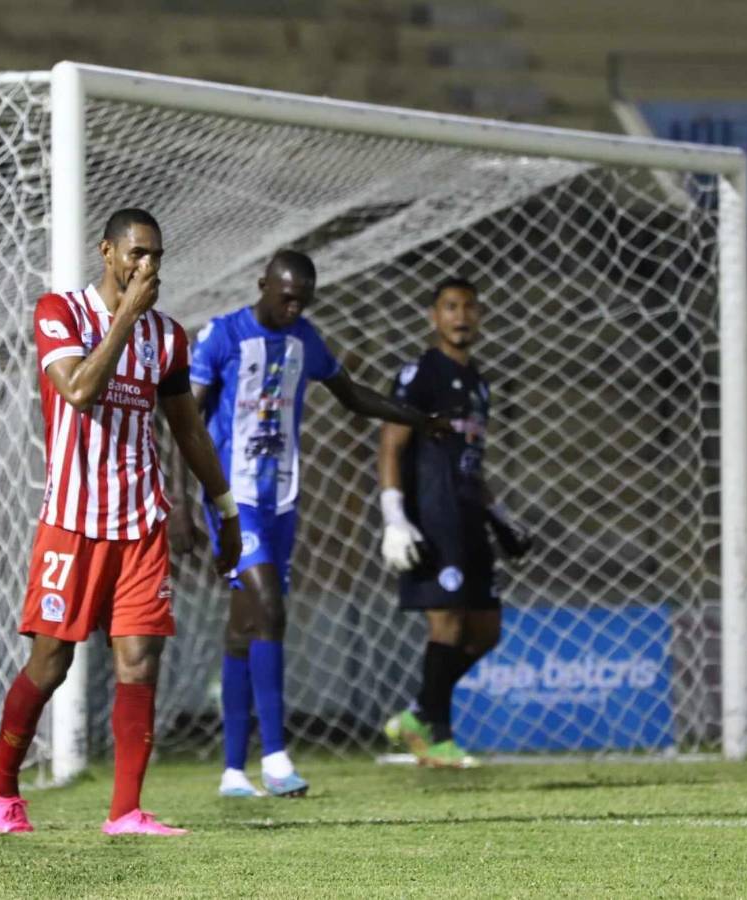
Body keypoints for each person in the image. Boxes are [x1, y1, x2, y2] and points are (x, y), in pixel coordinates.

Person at [0, 207, 241, 836]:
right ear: (107, 251)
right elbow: (78, 391)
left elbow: (188, 429)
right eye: (136, 254)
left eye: (156, 257)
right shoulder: (59, 313)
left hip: (140, 521)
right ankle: (2, 786)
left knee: (140, 662)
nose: (146, 266)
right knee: (51, 666)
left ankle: (125, 811)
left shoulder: (169, 338)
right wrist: (125, 318)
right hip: (71, 520)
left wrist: (223, 507)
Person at [174, 250, 450, 799]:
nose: (294, 306)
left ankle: (233, 772)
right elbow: (184, 419)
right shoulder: (222, 337)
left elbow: (352, 396)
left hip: (282, 500)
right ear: (263, 285)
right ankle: (276, 759)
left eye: (303, 298)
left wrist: (418, 419)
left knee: (243, 628)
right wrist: (179, 502)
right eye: (286, 296)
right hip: (233, 498)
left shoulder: (306, 339)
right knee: (271, 608)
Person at [378, 277, 532, 768]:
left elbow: (471, 460)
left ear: (479, 315)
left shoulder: (480, 383)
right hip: (431, 514)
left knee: (486, 629)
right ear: (434, 317)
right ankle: (440, 739)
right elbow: (391, 445)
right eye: (450, 307)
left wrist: (501, 515)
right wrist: (395, 517)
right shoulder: (421, 374)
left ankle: (420, 712)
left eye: (468, 307)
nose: (460, 316)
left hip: (469, 514)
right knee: (445, 622)